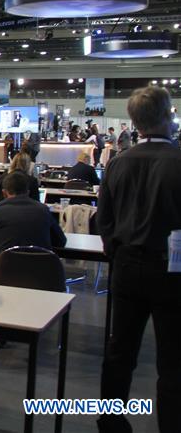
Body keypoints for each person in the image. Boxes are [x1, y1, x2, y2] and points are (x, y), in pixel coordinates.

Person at [97, 85, 181, 433]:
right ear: (167, 116)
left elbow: (104, 221)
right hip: (172, 272)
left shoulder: (117, 163)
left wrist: (118, 253)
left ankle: (110, 421)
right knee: (173, 361)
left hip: (127, 266)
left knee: (120, 352)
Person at [0, 171, 67, 277]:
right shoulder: (43, 210)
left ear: (4, 193)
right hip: (41, 275)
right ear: (28, 192)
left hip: (2, 273)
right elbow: (61, 241)